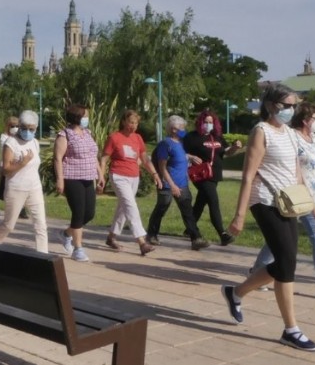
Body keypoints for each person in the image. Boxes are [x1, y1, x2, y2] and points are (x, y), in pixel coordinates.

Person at [221, 83, 315, 352]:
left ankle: (236, 292)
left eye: (294, 105)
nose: (291, 110)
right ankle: (291, 330)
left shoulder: (290, 134)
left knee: (286, 261)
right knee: (287, 262)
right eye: (286, 105)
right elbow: (248, 174)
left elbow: (297, 173)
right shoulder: (261, 131)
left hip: (288, 202)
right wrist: (239, 215)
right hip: (264, 201)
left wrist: (312, 206)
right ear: (270, 105)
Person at [250, 102, 315, 302]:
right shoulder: (292, 137)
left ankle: (257, 272)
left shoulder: (312, 138)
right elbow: (291, 167)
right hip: (295, 196)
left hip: (314, 197)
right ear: (305, 120)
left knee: (287, 241)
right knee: (299, 240)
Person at [145, 116, 210, 250]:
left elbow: (180, 156)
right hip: (168, 184)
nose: (184, 131)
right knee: (162, 207)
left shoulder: (181, 143)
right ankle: (151, 234)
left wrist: (190, 157)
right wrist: (172, 185)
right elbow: (162, 167)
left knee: (187, 211)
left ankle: (196, 238)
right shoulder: (165, 144)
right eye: (182, 128)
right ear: (174, 129)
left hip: (182, 183)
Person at [101, 110, 160, 255]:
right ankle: (141, 241)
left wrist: (155, 174)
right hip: (118, 176)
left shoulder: (138, 138)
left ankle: (111, 237)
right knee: (130, 206)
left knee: (123, 207)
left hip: (134, 176)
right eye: (131, 122)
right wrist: (101, 177)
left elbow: (145, 159)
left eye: (136, 123)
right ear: (124, 122)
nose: (133, 126)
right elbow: (104, 158)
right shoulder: (114, 137)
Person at [0, 110, 48, 252]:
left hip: (34, 187)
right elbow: (5, 169)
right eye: (24, 128)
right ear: (19, 126)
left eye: (31, 129)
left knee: (41, 225)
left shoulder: (35, 142)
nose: (27, 131)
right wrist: (22, 162)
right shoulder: (11, 143)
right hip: (16, 188)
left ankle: (43, 256)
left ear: (36, 129)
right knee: (9, 225)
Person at [54, 103, 105, 262]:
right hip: (72, 177)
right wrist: (60, 179)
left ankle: (66, 234)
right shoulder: (65, 135)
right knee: (78, 212)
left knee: (89, 214)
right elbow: (58, 158)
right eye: (85, 116)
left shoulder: (87, 133)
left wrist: (100, 174)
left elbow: (92, 155)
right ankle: (78, 248)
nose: (87, 119)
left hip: (88, 177)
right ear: (77, 117)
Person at [183, 110, 241, 246]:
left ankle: (189, 229)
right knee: (213, 202)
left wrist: (235, 147)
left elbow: (227, 152)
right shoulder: (192, 137)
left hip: (214, 175)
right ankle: (223, 234)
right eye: (206, 122)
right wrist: (190, 157)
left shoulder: (217, 137)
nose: (208, 125)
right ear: (200, 122)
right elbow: (181, 152)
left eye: (210, 122)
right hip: (201, 175)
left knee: (201, 202)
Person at [0, 115, 19, 215]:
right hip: (5, 165)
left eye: (17, 126)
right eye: (13, 126)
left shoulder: (18, 137)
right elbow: (5, 150)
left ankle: (21, 209)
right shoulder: (4, 137)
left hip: (17, 166)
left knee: (17, 186)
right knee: (3, 186)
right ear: (8, 126)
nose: (15, 128)